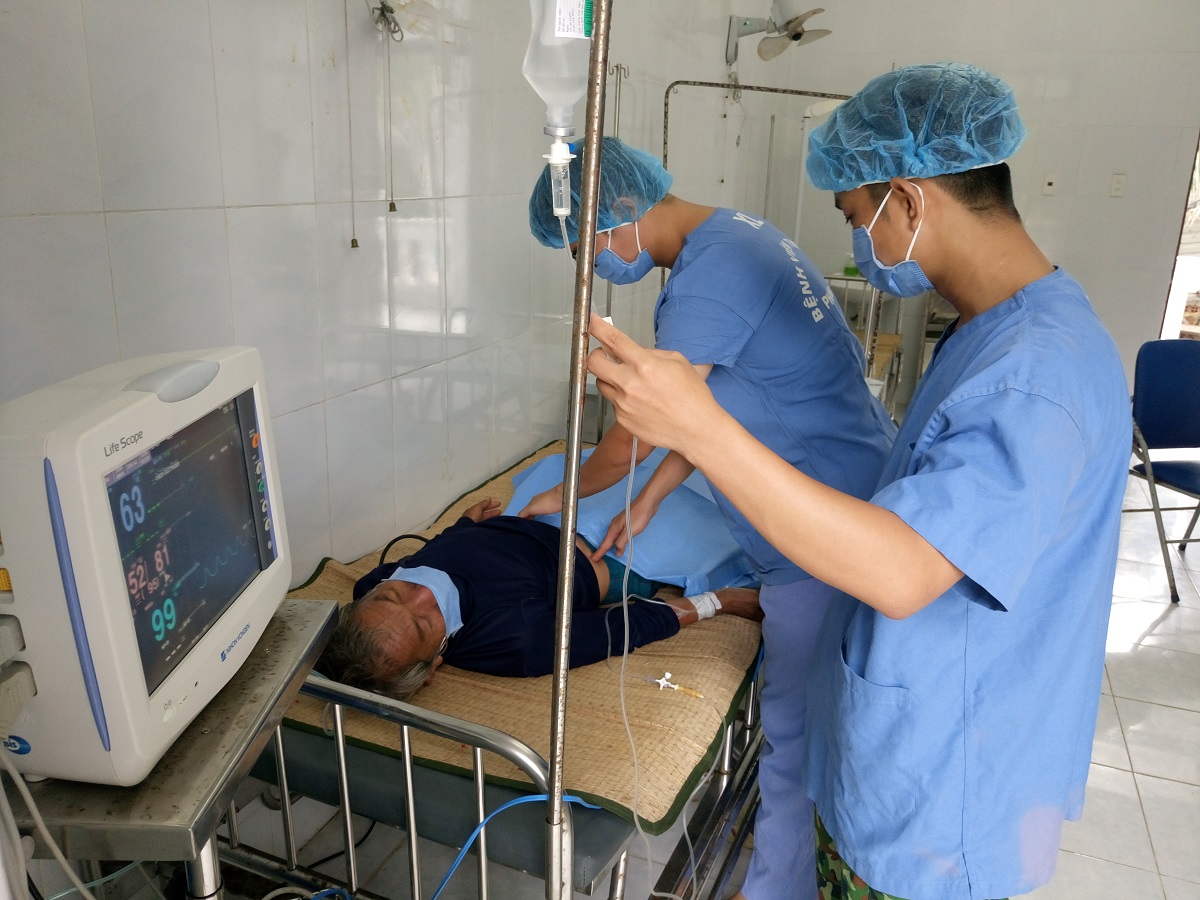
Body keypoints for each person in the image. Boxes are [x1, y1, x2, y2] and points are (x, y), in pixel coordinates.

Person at [585, 62, 1130, 900]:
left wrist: (699, 425)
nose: (858, 246)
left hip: (941, 798)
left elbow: (904, 570)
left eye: (854, 217)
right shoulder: (1003, 329)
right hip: (925, 748)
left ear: (907, 200)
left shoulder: (1033, 377)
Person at [525, 137, 895, 900]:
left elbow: (638, 430)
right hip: (847, 488)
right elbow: (714, 405)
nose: (591, 265)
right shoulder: (735, 236)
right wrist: (652, 498)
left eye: (583, 249)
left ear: (618, 209)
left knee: (793, 736)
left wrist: (564, 494)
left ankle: (775, 887)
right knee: (814, 723)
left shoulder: (708, 278)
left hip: (818, 531)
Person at [317, 498, 762, 700]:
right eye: (424, 622)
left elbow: (427, 557)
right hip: (611, 550)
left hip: (539, 509)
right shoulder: (518, 640)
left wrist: (461, 528)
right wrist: (718, 602)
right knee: (731, 509)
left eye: (394, 594)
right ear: (434, 663)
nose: (422, 593)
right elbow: (621, 627)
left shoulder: (368, 585)